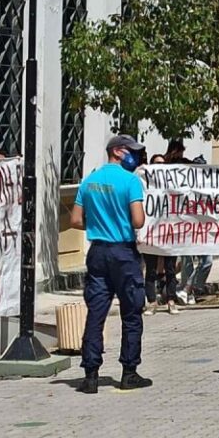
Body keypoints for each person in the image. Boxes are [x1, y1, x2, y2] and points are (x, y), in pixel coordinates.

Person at [70, 134, 152, 394]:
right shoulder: (131, 181)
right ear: (117, 151)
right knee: (131, 312)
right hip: (123, 253)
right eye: (131, 151)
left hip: (98, 252)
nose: (135, 156)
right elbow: (138, 220)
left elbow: (75, 220)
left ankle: (91, 375)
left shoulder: (89, 181)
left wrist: (96, 225)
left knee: (96, 313)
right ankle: (129, 372)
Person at [143, 152, 179, 315]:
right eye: (157, 165)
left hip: (169, 233)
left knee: (170, 269)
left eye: (163, 165)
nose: (160, 168)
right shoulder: (145, 186)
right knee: (150, 270)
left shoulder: (173, 186)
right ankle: (151, 302)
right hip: (151, 234)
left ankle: (171, 300)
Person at [178, 155, 214, 305]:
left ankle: (188, 288)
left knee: (207, 261)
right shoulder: (185, 186)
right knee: (187, 261)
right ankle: (188, 290)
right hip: (187, 226)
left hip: (205, 228)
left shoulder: (211, 187)